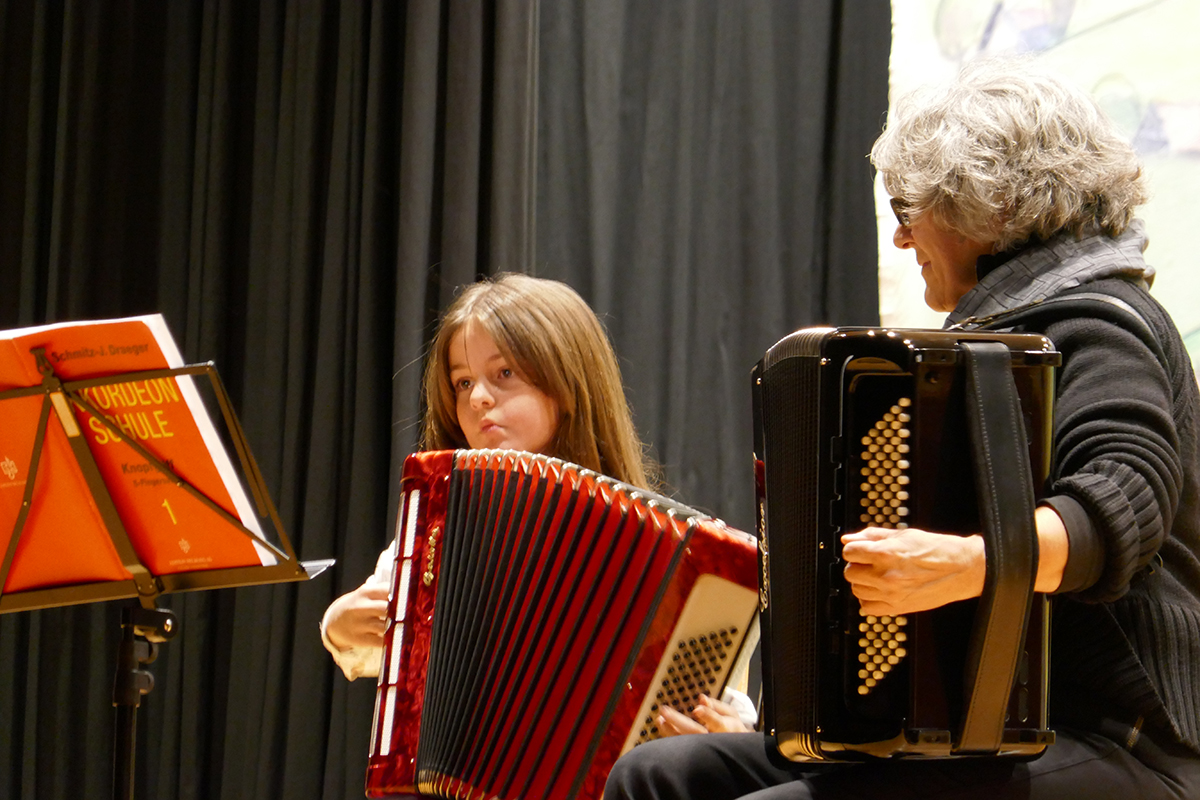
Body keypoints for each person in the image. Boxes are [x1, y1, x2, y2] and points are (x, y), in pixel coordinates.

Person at [605, 57, 1200, 799]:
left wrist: (968, 563)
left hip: (1125, 741)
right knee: (659, 775)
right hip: (981, 736)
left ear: (988, 204)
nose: (899, 237)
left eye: (907, 208)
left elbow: (1124, 497)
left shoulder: (1104, 322)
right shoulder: (987, 345)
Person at [319, 272, 757, 728]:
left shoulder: (665, 552)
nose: (478, 398)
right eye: (463, 383)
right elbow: (378, 638)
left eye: (504, 373)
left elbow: (721, 703)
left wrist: (733, 733)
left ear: (567, 383)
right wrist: (339, 626)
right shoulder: (440, 525)